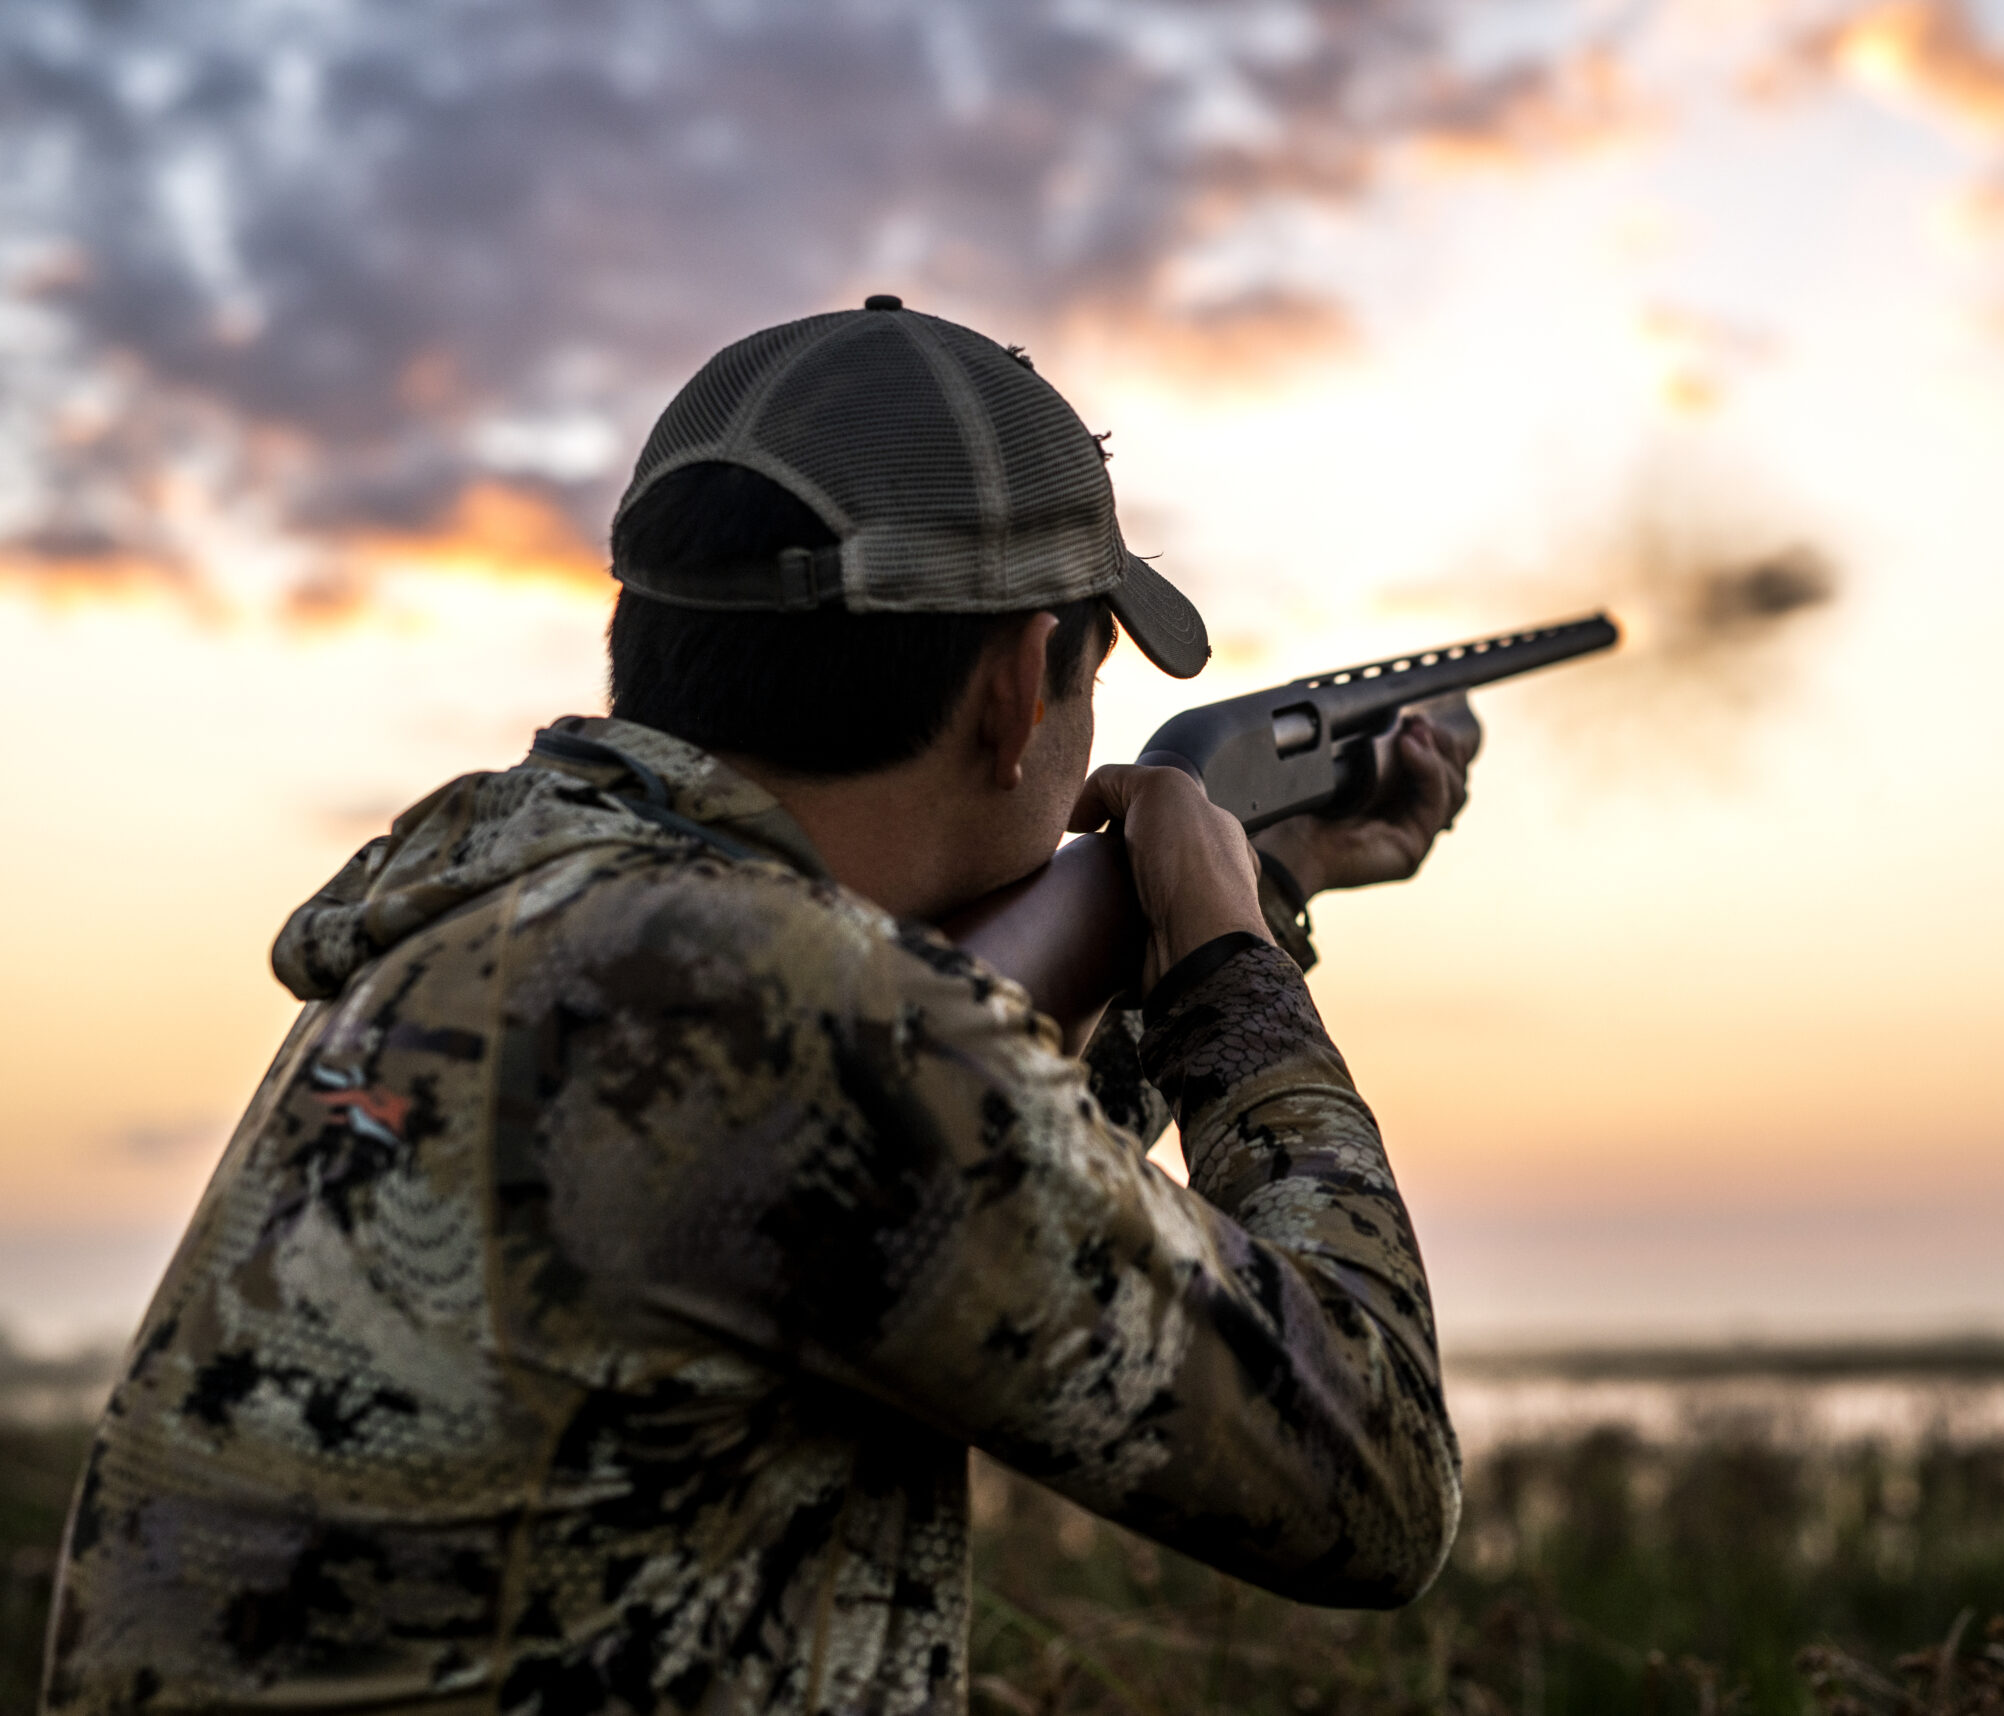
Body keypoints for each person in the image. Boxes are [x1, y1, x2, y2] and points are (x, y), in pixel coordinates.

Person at [42, 297, 1471, 1715]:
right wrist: (1232, 966)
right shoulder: (807, 1021)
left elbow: (966, 1206)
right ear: (1025, 686)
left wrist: (1263, 877)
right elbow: (1380, 1476)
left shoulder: (488, 927)